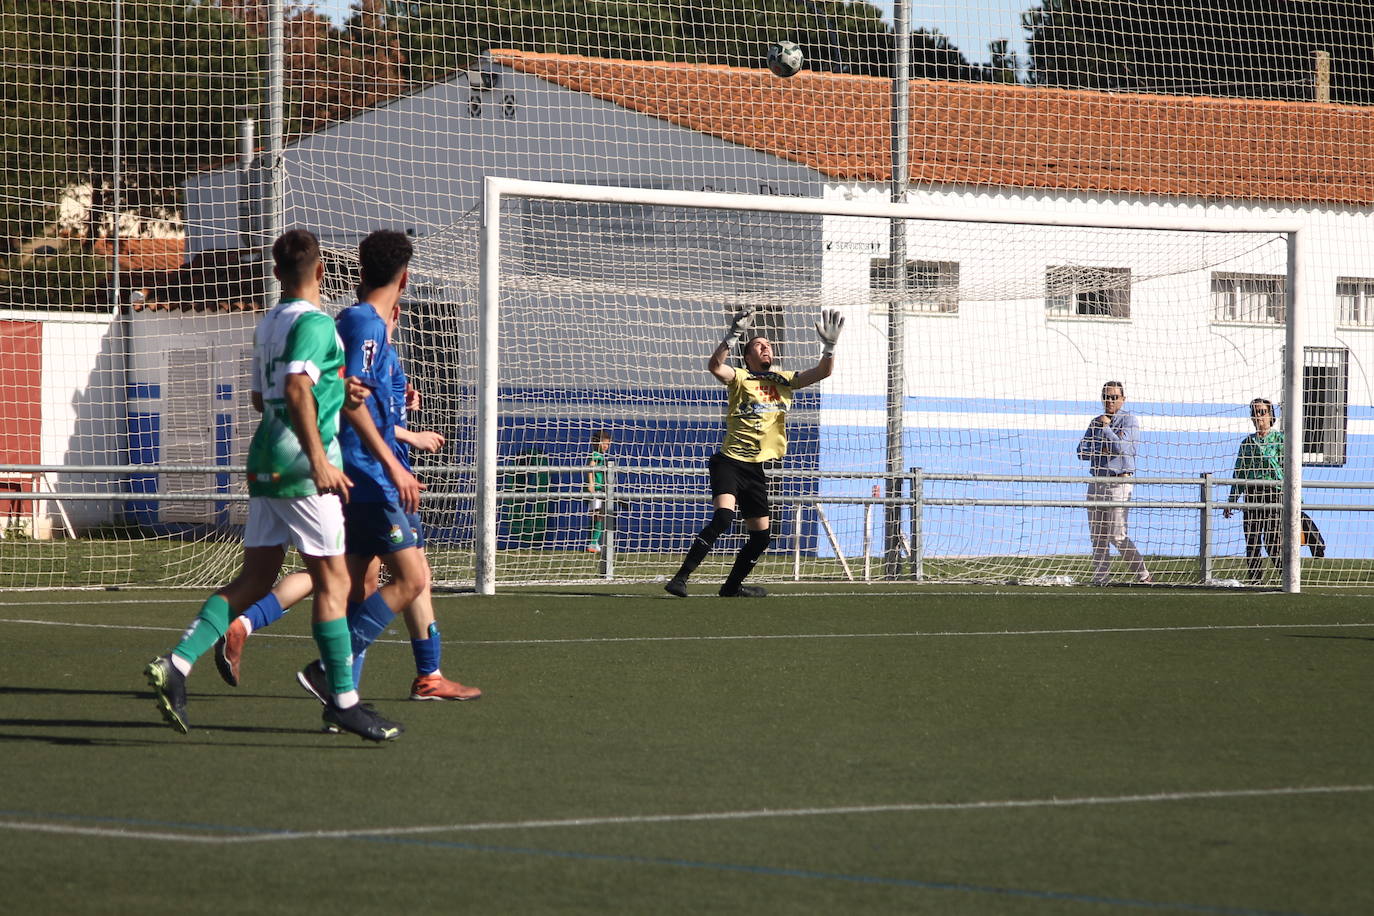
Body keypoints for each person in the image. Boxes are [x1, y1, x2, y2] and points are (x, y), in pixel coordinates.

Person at [143, 228, 402, 742]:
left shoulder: (269, 324)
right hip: (303, 469)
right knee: (336, 584)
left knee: (256, 579)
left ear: (277, 272)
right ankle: (344, 702)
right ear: (322, 270)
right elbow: (295, 388)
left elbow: (265, 399)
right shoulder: (318, 324)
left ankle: (178, 662)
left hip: (263, 462)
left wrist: (337, 388)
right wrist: (319, 460)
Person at [216, 229, 480, 703]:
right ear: (404, 279)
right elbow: (345, 400)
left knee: (356, 581)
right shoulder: (362, 324)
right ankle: (331, 669)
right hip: (366, 473)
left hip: (363, 470)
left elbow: (357, 392)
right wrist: (395, 460)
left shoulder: (366, 326)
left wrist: (397, 401)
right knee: (408, 577)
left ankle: (355, 692)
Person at [664, 306, 844, 598]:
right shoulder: (740, 377)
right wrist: (733, 335)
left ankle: (731, 587)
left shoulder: (784, 380)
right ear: (747, 357)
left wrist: (830, 347)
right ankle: (680, 578)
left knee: (761, 537)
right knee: (723, 518)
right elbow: (715, 367)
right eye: (759, 345)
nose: (766, 347)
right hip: (729, 462)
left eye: (768, 344)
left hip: (756, 468)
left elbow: (823, 371)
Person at [1076, 380, 1152, 586]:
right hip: (1097, 481)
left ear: (1123, 399)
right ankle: (1100, 577)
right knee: (1098, 535)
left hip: (1119, 482)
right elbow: (1081, 451)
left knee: (1117, 535)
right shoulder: (1095, 422)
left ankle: (1143, 574)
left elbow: (1120, 448)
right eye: (1106, 397)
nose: (1109, 401)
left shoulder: (1129, 421)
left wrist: (1106, 428)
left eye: (1114, 397)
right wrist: (1101, 448)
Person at [1223, 398, 1283, 583]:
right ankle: (1255, 580)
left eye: (1262, 412)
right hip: (1252, 493)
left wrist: (1297, 497)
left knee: (1272, 541)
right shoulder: (1247, 443)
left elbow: (1289, 470)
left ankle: (1287, 575)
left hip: (1273, 494)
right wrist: (1232, 500)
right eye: (1255, 412)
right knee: (1252, 540)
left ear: (1271, 415)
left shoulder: (1280, 440)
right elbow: (1239, 472)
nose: (1258, 416)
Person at [586, 430, 612, 553]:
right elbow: (590, 467)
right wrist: (591, 483)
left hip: (599, 489)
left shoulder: (600, 455)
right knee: (598, 516)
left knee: (597, 515)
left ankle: (593, 542)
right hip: (596, 490)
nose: (606, 446)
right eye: (604, 443)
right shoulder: (596, 455)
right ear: (597, 443)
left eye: (608, 444)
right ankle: (593, 542)